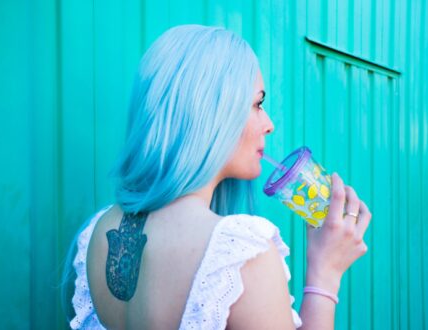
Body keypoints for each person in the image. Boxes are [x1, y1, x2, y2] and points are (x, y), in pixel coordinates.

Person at [64, 24, 371, 329]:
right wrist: (324, 273)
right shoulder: (240, 254)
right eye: (257, 104)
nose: (269, 124)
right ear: (212, 112)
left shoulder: (97, 233)